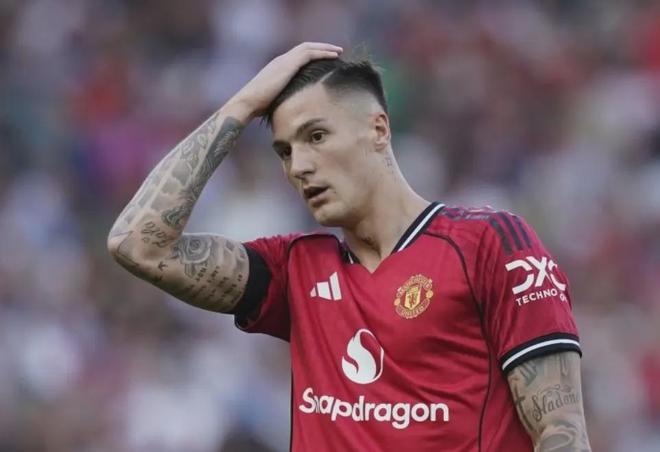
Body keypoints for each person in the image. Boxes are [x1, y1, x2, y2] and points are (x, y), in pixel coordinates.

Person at [108, 42, 591, 451]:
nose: (299, 166)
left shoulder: (490, 244)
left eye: (316, 136)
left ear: (378, 129)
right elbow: (137, 245)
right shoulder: (295, 269)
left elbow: (561, 431)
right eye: (285, 151)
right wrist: (242, 104)